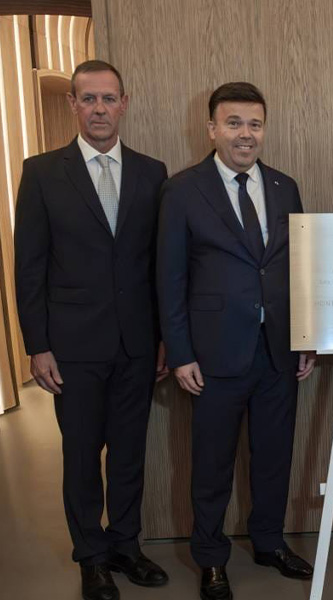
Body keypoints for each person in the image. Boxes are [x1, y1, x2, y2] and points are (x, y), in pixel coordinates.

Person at [15, 60, 170, 600]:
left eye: (108, 98)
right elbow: (29, 266)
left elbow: (160, 264)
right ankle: (92, 557)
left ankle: (125, 545)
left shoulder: (152, 172)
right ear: (73, 105)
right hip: (72, 346)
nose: (99, 109)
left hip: (137, 342)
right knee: (82, 455)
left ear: (123, 103)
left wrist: (164, 337)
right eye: (88, 99)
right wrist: (38, 345)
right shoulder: (41, 172)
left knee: (129, 453)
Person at [156, 82, 316, 600]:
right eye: (233, 123)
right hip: (213, 355)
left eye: (254, 124)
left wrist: (307, 334)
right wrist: (180, 352)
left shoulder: (285, 186)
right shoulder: (183, 190)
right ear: (212, 129)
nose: (245, 134)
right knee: (212, 465)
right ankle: (211, 558)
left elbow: (298, 267)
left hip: (278, 351)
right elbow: (169, 278)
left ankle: (269, 542)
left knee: (274, 456)